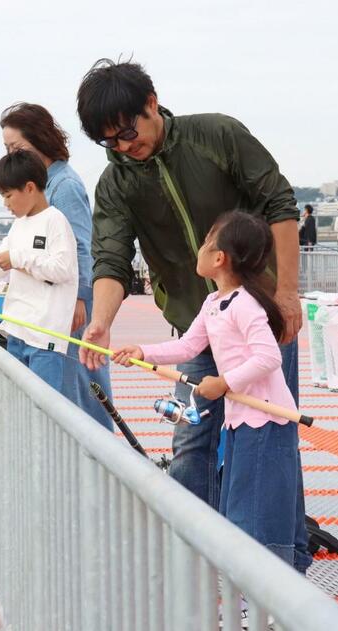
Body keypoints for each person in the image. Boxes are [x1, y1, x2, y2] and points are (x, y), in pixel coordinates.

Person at [75, 58, 310, 572]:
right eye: (108, 142)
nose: (122, 146)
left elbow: (280, 204)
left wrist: (288, 295)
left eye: (128, 132)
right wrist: (103, 321)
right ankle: (196, 559)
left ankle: (285, 562)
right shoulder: (116, 184)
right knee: (190, 441)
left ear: (152, 104)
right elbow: (111, 259)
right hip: (196, 324)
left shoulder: (217, 135)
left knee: (270, 439)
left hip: (260, 319)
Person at [111, 212, 304, 570]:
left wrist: (224, 383)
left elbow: (268, 357)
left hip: (266, 419)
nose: (199, 249)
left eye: (205, 242)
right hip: (241, 421)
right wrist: (143, 352)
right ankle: (252, 595)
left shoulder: (245, 304)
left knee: (254, 513)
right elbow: (187, 347)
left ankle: (267, 599)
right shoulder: (215, 303)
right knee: (238, 506)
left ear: (219, 258)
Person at [0, 102, 114, 431]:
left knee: (80, 386)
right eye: (7, 148)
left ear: (40, 139)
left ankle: (97, 461)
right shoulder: (40, 183)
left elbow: (80, 245)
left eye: (17, 147)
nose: (11, 155)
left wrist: (80, 297)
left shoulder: (63, 186)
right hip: (49, 304)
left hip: (69, 303)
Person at [0, 150, 77, 392]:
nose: (5, 203)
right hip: (16, 331)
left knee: (45, 406)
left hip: (44, 338)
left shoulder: (55, 221)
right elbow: (0, 270)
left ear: (30, 188)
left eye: (8, 195)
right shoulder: (18, 226)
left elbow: (62, 270)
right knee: (21, 402)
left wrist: (18, 259)